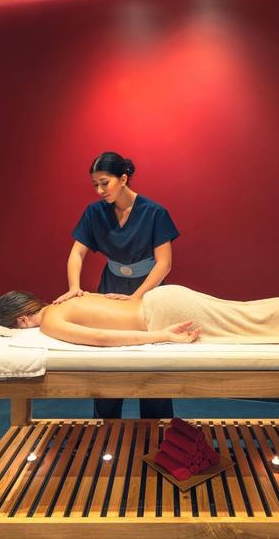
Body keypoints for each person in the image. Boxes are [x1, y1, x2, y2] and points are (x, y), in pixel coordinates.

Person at [54, 152, 179, 419]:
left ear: (123, 179)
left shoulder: (154, 212)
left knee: (152, 360)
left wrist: (136, 297)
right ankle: (106, 428)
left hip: (149, 291)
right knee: (106, 359)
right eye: (95, 185)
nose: (99, 190)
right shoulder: (94, 212)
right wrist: (74, 288)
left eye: (104, 183)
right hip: (110, 286)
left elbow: (163, 264)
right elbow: (77, 253)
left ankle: (156, 430)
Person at [0, 285, 279, 352]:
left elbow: (101, 338)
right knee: (255, 314)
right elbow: (112, 307)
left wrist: (161, 336)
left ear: (23, 320)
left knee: (259, 322)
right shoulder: (71, 298)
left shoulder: (50, 321)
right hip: (163, 299)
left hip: (164, 312)